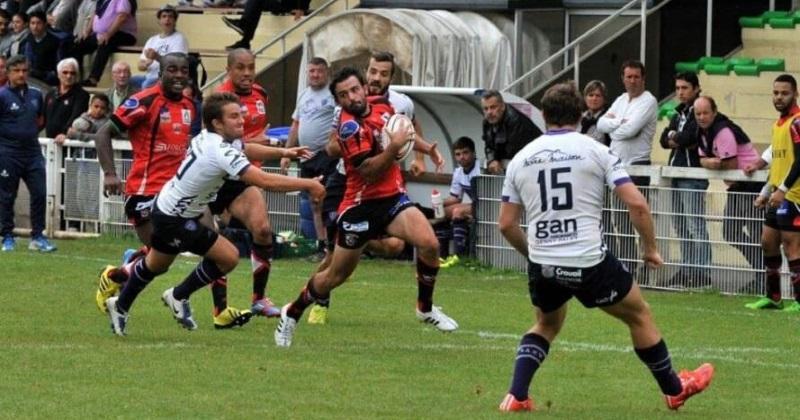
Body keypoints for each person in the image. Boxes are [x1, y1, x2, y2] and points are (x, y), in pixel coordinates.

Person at [496, 82, 714, 412]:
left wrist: (534, 255)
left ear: (543, 115)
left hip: (544, 262)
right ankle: (674, 389)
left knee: (546, 323)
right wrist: (651, 248)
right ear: (581, 113)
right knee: (639, 314)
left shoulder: (521, 158)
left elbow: (506, 224)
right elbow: (637, 205)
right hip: (588, 260)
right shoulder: (596, 149)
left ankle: (516, 395)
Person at [104, 92, 325, 336]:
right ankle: (178, 294)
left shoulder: (213, 138)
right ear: (217, 123)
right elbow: (262, 180)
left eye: (241, 115)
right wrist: (308, 184)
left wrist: (284, 153)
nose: (242, 120)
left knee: (156, 265)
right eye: (234, 116)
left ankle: (120, 305)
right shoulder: (218, 150)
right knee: (228, 257)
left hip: (171, 208)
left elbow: (247, 148)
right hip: (176, 218)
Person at [273, 67, 459, 347]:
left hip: (393, 199)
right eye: (344, 95)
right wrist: (393, 148)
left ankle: (425, 308)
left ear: (364, 88)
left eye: (355, 89)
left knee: (429, 243)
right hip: (360, 206)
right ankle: (293, 311)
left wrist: (426, 148)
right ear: (338, 102)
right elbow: (370, 171)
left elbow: (402, 130)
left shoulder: (382, 105)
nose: (352, 97)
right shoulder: (349, 128)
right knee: (336, 275)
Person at [92, 53, 254, 330]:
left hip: (180, 192)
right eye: (172, 70)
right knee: (161, 258)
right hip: (147, 192)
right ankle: (120, 276)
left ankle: (216, 309)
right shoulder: (144, 100)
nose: (179, 75)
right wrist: (109, 173)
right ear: (161, 72)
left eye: (184, 71)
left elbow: (208, 146)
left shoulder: (192, 106)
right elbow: (103, 133)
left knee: (213, 244)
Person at [302, 51, 443, 324]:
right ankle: (319, 302)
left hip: (384, 187)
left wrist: (423, 154)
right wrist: (347, 145)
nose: (376, 78)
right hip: (347, 183)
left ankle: (360, 241)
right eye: (373, 72)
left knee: (393, 246)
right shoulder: (347, 102)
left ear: (391, 77)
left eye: (383, 73)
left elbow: (408, 131)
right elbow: (332, 146)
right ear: (366, 73)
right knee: (333, 259)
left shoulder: (400, 103)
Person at [211, 48, 287, 320]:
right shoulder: (218, 98)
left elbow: (255, 135)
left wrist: (264, 144)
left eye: (251, 67)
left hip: (244, 176)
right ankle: (219, 308)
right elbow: (222, 145)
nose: (246, 73)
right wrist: (263, 144)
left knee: (263, 230)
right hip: (216, 178)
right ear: (229, 69)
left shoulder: (260, 95)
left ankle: (259, 299)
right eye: (240, 68)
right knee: (212, 240)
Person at [597, 60, 658, 273]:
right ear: (622, 78)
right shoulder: (621, 100)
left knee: (639, 218)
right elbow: (600, 124)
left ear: (643, 78)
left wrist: (615, 125)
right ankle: (628, 267)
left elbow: (629, 131)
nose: (632, 81)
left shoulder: (648, 101)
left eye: (636, 76)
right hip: (617, 166)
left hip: (637, 167)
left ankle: (647, 265)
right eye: (628, 76)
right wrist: (619, 123)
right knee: (620, 221)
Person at [746, 74, 800, 312]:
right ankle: (774, 296)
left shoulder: (798, 122)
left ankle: (799, 300)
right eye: (776, 93)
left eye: (784, 93)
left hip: (794, 195)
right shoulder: (778, 124)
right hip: (778, 194)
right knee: (768, 242)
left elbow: (799, 161)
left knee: (792, 246)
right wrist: (766, 190)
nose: (779, 97)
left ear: (795, 94)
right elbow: (779, 162)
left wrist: (783, 189)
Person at [695, 95, 764, 282]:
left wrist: (710, 163)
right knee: (731, 231)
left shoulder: (723, 130)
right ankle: (762, 272)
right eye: (698, 113)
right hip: (736, 186)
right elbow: (702, 159)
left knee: (757, 233)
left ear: (715, 112)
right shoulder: (702, 132)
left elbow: (730, 164)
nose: (701, 117)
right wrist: (709, 162)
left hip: (751, 185)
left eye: (705, 113)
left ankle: (764, 279)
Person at [280, 56, 337, 259]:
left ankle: (333, 246)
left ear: (326, 72)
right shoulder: (304, 95)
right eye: (311, 71)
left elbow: (339, 122)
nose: (315, 75)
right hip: (306, 157)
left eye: (319, 71)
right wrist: (287, 152)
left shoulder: (333, 94)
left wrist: (331, 145)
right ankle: (320, 245)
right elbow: (295, 124)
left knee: (326, 201)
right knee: (314, 202)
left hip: (325, 155)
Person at [658, 72, 711, 288]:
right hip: (675, 173)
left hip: (692, 174)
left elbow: (691, 138)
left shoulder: (698, 113)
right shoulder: (678, 112)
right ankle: (688, 268)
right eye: (678, 88)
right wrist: (674, 138)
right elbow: (663, 140)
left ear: (697, 88)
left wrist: (675, 137)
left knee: (695, 223)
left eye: (685, 88)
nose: (680, 92)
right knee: (680, 224)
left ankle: (702, 273)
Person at [0, 55, 57, 252]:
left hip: (32, 151)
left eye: (24, 70)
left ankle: (38, 236)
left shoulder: (36, 94)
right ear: (8, 73)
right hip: (8, 152)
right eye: (16, 71)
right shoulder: (2, 96)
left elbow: (40, 119)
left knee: (40, 193)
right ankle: (7, 236)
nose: (21, 74)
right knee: (7, 195)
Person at [71, 0, 137, 87]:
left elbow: (122, 17)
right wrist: (87, 31)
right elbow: (95, 14)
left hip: (124, 34)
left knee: (106, 43)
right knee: (78, 45)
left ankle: (93, 79)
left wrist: (109, 34)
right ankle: (75, 78)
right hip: (101, 34)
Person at [437, 136, 480, 268]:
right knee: (441, 213)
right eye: (458, 154)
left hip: (487, 205)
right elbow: (455, 198)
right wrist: (438, 203)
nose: (462, 157)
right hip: (475, 204)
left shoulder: (481, 169)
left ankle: (459, 256)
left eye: (465, 153)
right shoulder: (458, 172)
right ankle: (442, 255)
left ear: (473, 153)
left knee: (457, 211)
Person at [481, 89, 541, 174]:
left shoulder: (515, 120)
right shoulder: (487, 121)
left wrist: (496, 159)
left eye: (493, 107)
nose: (489, 112)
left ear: (502, 106)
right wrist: (492, 160)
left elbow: (512, 151)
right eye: (485, 109)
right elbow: (488, 146)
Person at [132, 5, 187, 89]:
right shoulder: (152, 40)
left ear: (175, 21)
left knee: (146, 85)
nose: (167, 19)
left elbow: (175, 65)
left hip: (167, 79)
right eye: (164, 16)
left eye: (170, 17)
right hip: (149, 76)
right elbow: (140, 65)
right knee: (128, 82)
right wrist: (146, 64)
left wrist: (156, 57)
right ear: (159, 21)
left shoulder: (179, 38)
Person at [221, 0, 310, 51]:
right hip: (283, 4)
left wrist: (301, 8)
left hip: (292, 8)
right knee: (256, 2)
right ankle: (245, 40)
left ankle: (244, 34)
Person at [45, 57, 89, 144]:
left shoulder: (81, 95)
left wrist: (65, 134)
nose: (68, 76)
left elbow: (76, 117)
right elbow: (42, 118)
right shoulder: (51, 93)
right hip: (50, 141)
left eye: (72, 73)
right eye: (65, 72)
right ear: (58, 74)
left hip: (68, 142)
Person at [579, 80, 610, 145]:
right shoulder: (578, 118)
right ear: (585, 98)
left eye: (598, 95)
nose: (594, 98)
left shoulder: (608, 119)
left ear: (604, 99)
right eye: (591, 95)